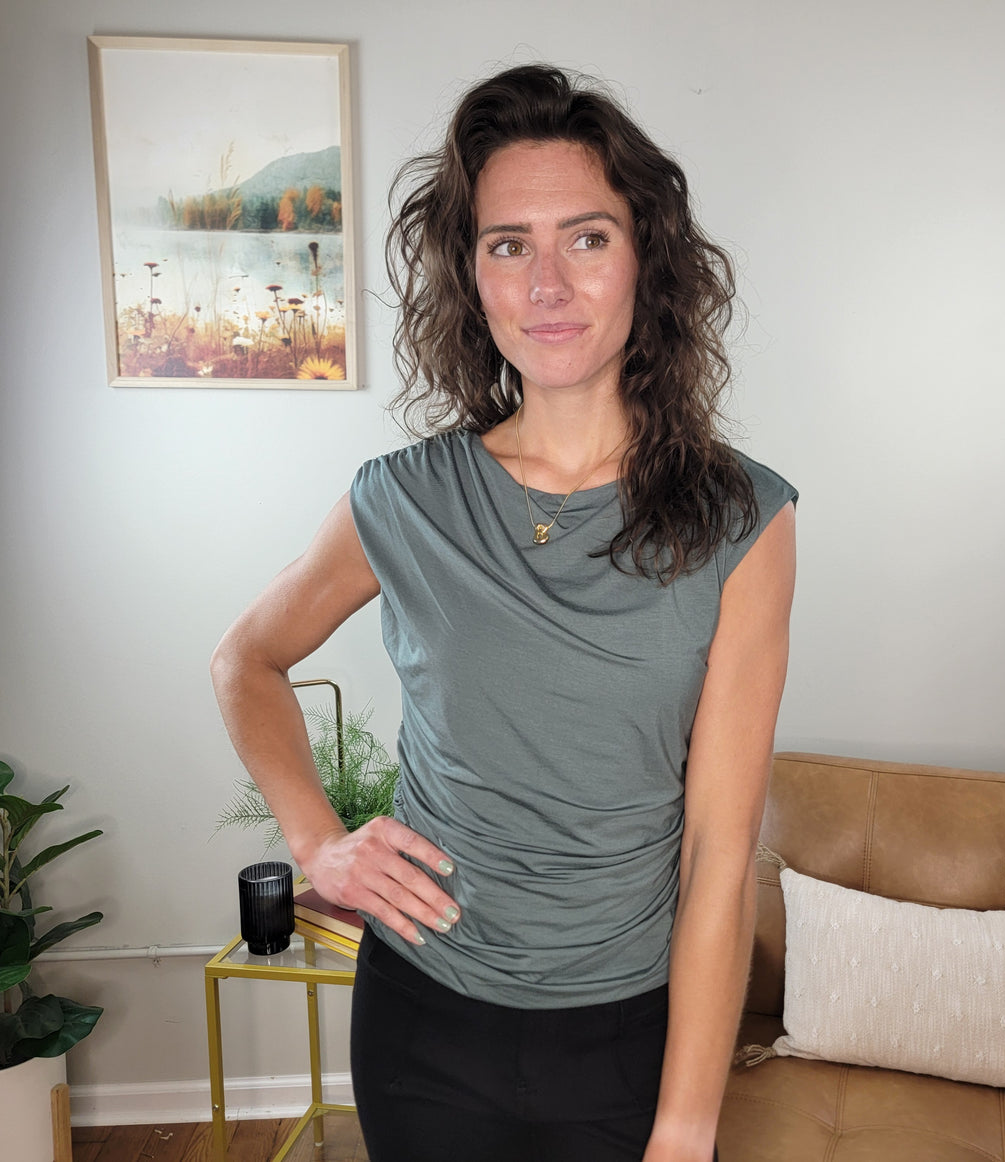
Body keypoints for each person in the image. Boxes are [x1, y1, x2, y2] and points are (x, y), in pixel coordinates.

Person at [211, 63, 796, 1162]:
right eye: (507, 244)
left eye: (586, 237)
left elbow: (720, 850)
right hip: (422, 1021)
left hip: (630, 1036)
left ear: (645, 260)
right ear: (470, 276)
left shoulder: (744, 520)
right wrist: (317, 843)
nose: (547, 285)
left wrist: (684, 1125)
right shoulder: (402, 498)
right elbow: (245, 660)